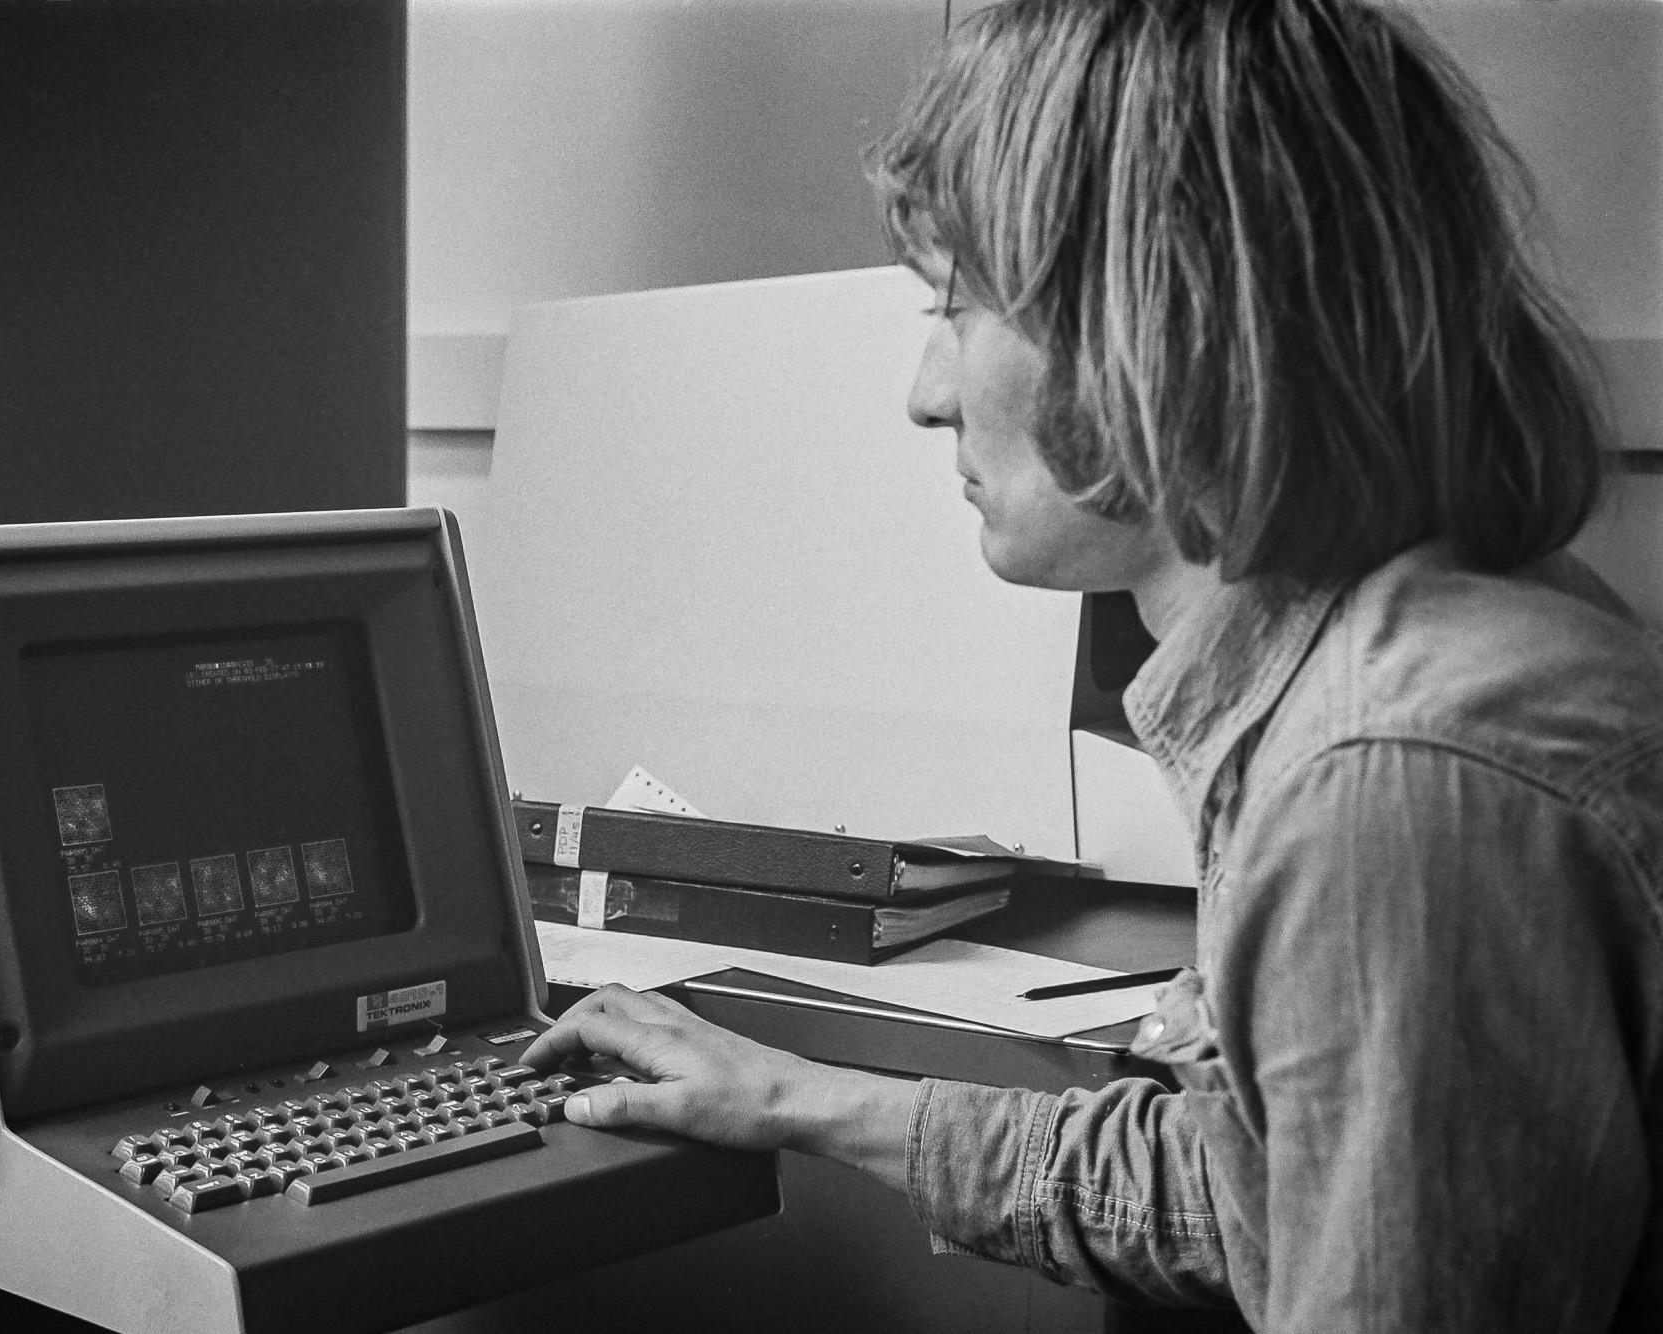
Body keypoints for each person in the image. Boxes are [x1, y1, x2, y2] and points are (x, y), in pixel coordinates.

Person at [519, 0, 1663, 1328]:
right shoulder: (1402, 667)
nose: (926, 390)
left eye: (963, 303)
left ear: (1150, 317)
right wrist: (795, 1096)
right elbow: (1266, 1198)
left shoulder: (1393, 782)